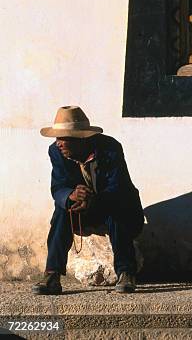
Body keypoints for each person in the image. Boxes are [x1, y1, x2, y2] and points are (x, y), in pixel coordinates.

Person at [32, 105, 144, 295]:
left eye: (63, 138)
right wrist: (71, 196)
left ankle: (126, 272)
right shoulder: (56, 152)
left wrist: (92, 199)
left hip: (117, 209)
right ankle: (52, 275)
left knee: (116, 211)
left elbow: (118, 188)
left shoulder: (110, 148)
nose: (58, 143)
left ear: (79, 138)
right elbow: (58, 187)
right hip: (82, 211)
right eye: (57, 138)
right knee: (62, 210)